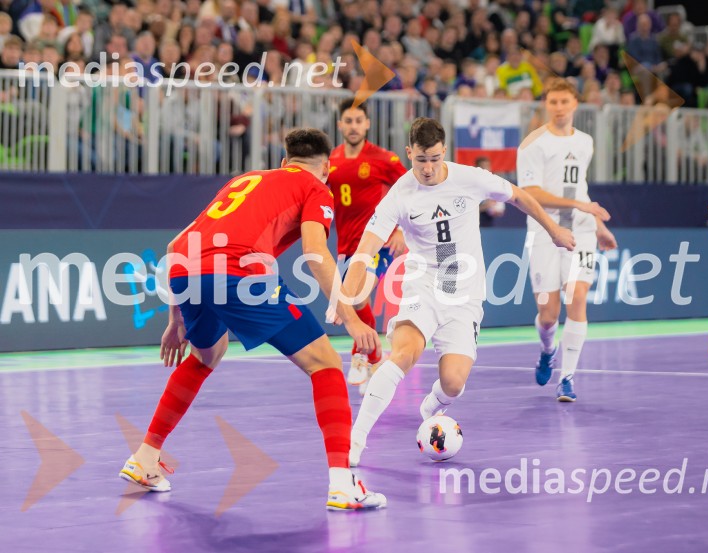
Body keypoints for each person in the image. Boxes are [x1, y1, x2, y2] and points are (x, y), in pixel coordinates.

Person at [119, 128, 387, 511]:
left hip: (185, 270)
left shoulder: (245, 179)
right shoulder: (316, 188)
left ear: (284, 163)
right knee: (325, 362)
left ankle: (145, 458)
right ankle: (343, 483)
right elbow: (315, 253)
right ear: (326, 168)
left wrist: (175, 321)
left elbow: (174, 245)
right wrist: (350, 316)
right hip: (237, 271)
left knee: (205, 355)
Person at [342, 117, 577, 467]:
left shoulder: (470, 178)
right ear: (409, 153)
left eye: (435, 159)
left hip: (464, 295)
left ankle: (431, 407)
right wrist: (346, 296)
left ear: (444, 152)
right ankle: (354, 443)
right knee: (402, 355)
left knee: (452, 383)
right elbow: (365, 248)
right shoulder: (401, 194)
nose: (428, 168)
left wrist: (554, 228)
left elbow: (519, 197)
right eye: (420, 160)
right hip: (423, 285)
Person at [517, 78, 617, 402]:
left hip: (582, 232)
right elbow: (530, 193)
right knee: (548, 315)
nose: (559, 108)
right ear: (546, 104)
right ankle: (548, 351)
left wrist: (598, 225)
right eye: (553, 102)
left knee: (577, 297)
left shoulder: (585, 141)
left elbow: (580, 189)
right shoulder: (533, 144)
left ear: (575, 104)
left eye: (564, 102)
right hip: (545, 231)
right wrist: (578, 205)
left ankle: (568, 379)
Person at [328, 98, 408, 389]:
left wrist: (400, 229)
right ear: (340, 124)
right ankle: (374, 355)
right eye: (348, 121)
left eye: (358, 121)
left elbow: (408, 189)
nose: (353, 126)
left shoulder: (382, 158)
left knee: (358, 297)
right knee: (355, 300)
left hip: (377, 243)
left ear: (367, 124)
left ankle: (359, 353)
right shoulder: (331, 161)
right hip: (346, 247)